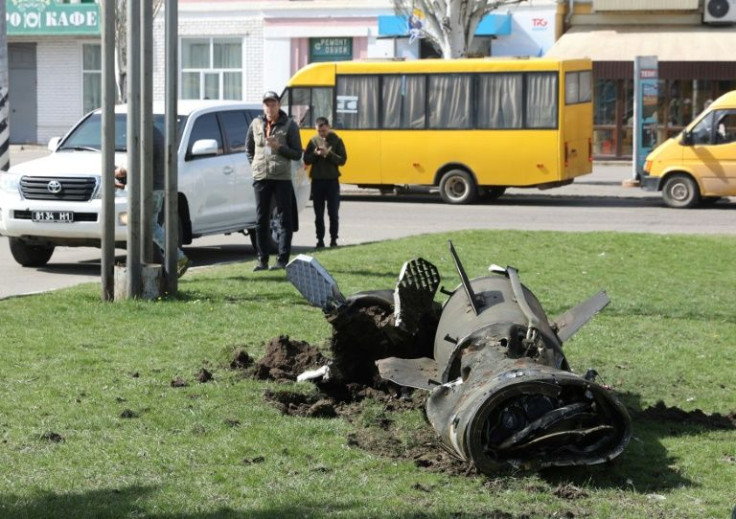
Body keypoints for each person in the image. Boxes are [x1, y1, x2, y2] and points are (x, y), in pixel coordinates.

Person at [114, 125, 190, 278]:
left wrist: (120, 172)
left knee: (149, 227)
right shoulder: (155, 132)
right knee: (149, 227)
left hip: (150, 188)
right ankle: (168, 261)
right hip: (155, 186)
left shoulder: (145, 135)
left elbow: (140, 164)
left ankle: (178, 258)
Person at [245, 91, 303, 271]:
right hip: (261, 177)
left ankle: (282, 259)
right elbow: (249, 149)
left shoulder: (290, 125)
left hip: (281, 177)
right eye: (267, 104)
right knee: (261, 219)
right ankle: (262, 260)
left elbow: (297, 153)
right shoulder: (256, 123)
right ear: (263, 106)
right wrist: (255, 165)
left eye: (273, 104)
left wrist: (280, 147)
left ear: (278, 105)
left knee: (285, 219)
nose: (270, 107)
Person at [303, 117, 347, 248]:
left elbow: (343, 160)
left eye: (323, 130)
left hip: (332, 181)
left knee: (333, 212)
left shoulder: (337, 140)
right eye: (318, 131)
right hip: (317, 181)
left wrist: (328, 154)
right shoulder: (313, 141)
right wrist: (315, 155)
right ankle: (320, 240)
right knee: (318, 214)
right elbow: (306, 159)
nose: (321, 134)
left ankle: (334, 239)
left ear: (328, 127)